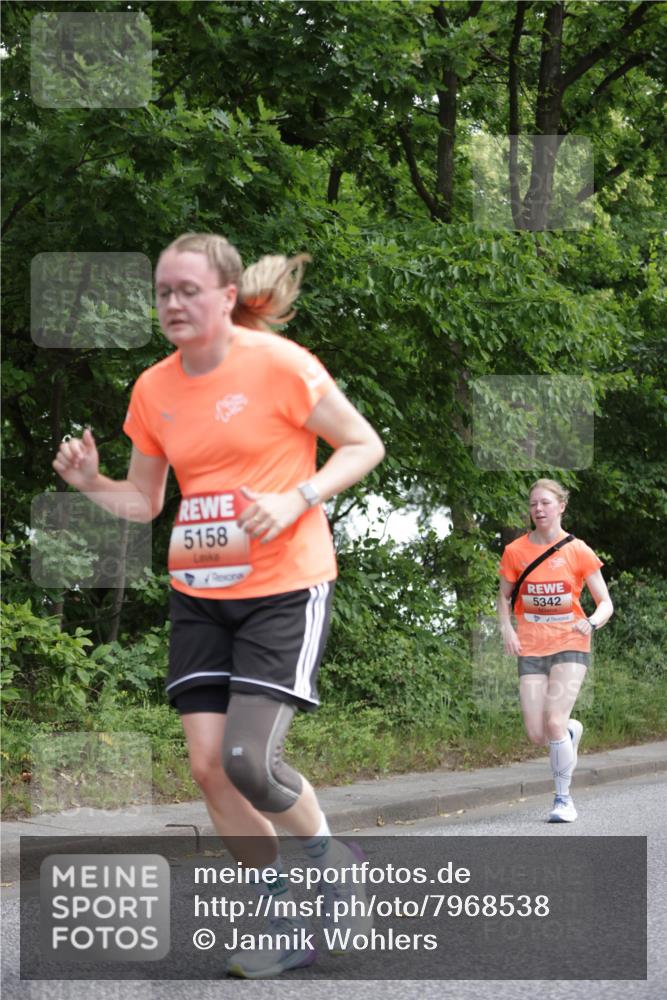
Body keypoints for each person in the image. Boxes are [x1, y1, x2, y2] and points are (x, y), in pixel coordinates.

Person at [52, 232, 385, 978]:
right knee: (208, 768)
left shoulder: (280, 366)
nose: (171, 303)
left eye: (187, 290)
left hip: (285, 586)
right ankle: (282, 917)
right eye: (163, 290)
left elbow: (362, 445)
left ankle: (335, 866)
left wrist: (295, 496)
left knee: (248, 761)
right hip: (200, 594)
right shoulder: (153, 388)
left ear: (227, 296)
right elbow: (144, 502)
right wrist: (89, 485)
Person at [497, 479, 613, 823]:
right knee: (537, 733)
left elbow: (605, 602)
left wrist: (591, 622)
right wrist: (506, 628)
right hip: (531, 646)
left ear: (561, 506)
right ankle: (569, 732)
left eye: (545, 503)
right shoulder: (515, 551)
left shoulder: (577, 550)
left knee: (553, 719)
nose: (539, 509)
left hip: (571, 643)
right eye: (533, 504)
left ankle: (563, 799)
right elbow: (504, 596)